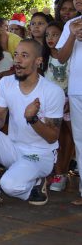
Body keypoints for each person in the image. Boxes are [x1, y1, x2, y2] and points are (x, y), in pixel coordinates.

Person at [0, 39, 64, 208]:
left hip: (40, 155)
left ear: (38, 61)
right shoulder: (6, 83)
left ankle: (36, 182)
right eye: (16, 55)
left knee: (10, 185)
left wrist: (33, 119)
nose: (17, 60)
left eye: (24, 56)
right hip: (14, 149)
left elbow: (53, 137)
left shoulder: (53, 92)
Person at [56, 0, 82, 206]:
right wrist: (73, 35)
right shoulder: (71, 24)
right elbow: (61, 58)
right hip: (76, 89)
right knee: (80, 141)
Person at [42, 21, 73, 192]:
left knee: (72, 138)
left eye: (55, 34)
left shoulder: (71, 55)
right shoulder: (44, 57)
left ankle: (65, 172)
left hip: (70, 103)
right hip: (51, 106)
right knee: (54, 140)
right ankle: (58, 174)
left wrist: (68, 99)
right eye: (48, 35)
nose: (50, 38)